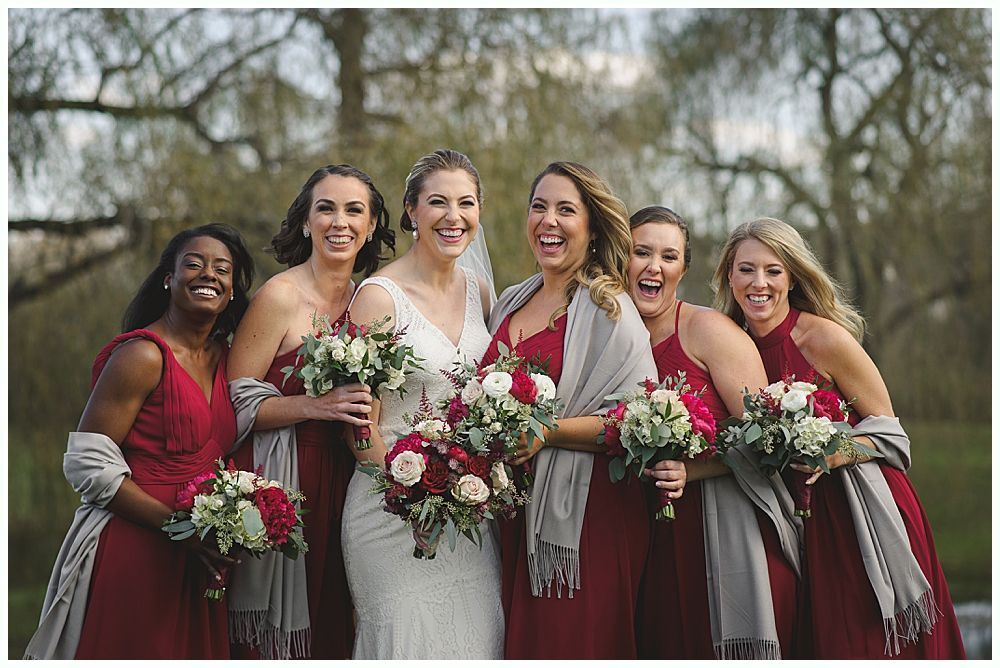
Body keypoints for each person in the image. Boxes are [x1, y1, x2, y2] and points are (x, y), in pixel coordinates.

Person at [713, 216, 966, 659]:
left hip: (855, 514)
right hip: (782, 521)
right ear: (729, 276)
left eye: (773, 270)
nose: (759, 282)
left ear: (792, 278)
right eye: (746, 269)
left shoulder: (822, 338)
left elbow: (891, 435)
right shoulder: (724, 342)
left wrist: (831, 454)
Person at [479, 162, 681, 659]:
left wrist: (546, 433)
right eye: (539, 207)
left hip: (588, 517)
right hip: (512, 510)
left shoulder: (610, 309)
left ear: (591, 227)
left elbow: (635, 423)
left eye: (566, 210)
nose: (549, 220)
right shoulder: (509, 302)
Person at [24, 224, 254, 659]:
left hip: (199, 557)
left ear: (231, 293)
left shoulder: (227, 360)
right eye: (194, 264)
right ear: (168, 277)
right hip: (138, 549)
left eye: (222, 270)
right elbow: (88, 465)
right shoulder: (142, 356)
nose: (209, 274)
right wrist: (177, 527)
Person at [226, 164, 394, 659]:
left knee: (336, 619)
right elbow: (234, 404)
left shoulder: (372, 299)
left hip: (350, 477)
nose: (339, 222)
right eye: (326, 208)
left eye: (353, 210)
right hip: (287, 473)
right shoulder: (281, 296)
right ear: (305, 222)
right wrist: (313, 406)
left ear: (370, 228)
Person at [341, 148, 503, 659]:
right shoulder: (379, 297)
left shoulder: (480, 293)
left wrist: (460, 492)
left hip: (468, 515)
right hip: (389, 512)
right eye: (438, 202)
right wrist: (413, 497)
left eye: (466, 203)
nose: (453, 217)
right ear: (411, 210)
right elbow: (356, 423)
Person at [626, 206, 803, 659]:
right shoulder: (607, 335)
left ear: (684, 268)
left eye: (668, 256)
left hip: (729, 535)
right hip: (643, 541)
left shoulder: (709, 331)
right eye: (640, 252)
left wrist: (695, 469)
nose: (653, 266)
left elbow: (769, 439)